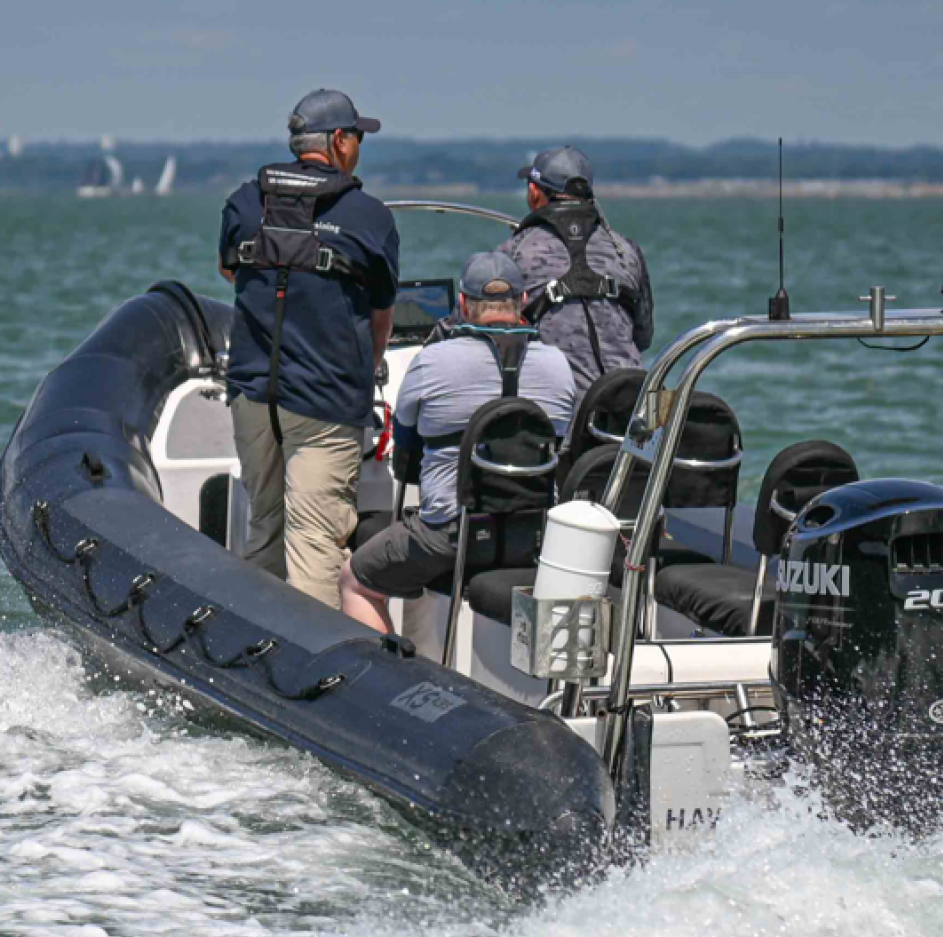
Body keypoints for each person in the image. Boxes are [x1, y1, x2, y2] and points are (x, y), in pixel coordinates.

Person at [219, 89, 400, 608]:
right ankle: (313, 678)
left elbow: (230, 271)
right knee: (315, 547)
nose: (359, 146)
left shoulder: (242, 201)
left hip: (254, 397)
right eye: (357, 137)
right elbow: (381, 312)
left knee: (265, 530)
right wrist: (365, 372)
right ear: (339, 142)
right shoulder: (369, 217)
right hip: (323, 405)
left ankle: (254, 650)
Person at [340, 253, 577, 632]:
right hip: (531, 535)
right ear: (524, 303)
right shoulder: (558, 365)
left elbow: (406, 459)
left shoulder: (433, 361)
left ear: (463, 304)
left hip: (449, 537)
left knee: (354, 579)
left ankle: (387, 672)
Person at [496, 145, 654, 393]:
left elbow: (479, 331)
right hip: (631, 407)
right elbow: (643, 337)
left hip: (560, 413)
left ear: (535, 192)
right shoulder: (626, 249)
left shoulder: (513, 253)